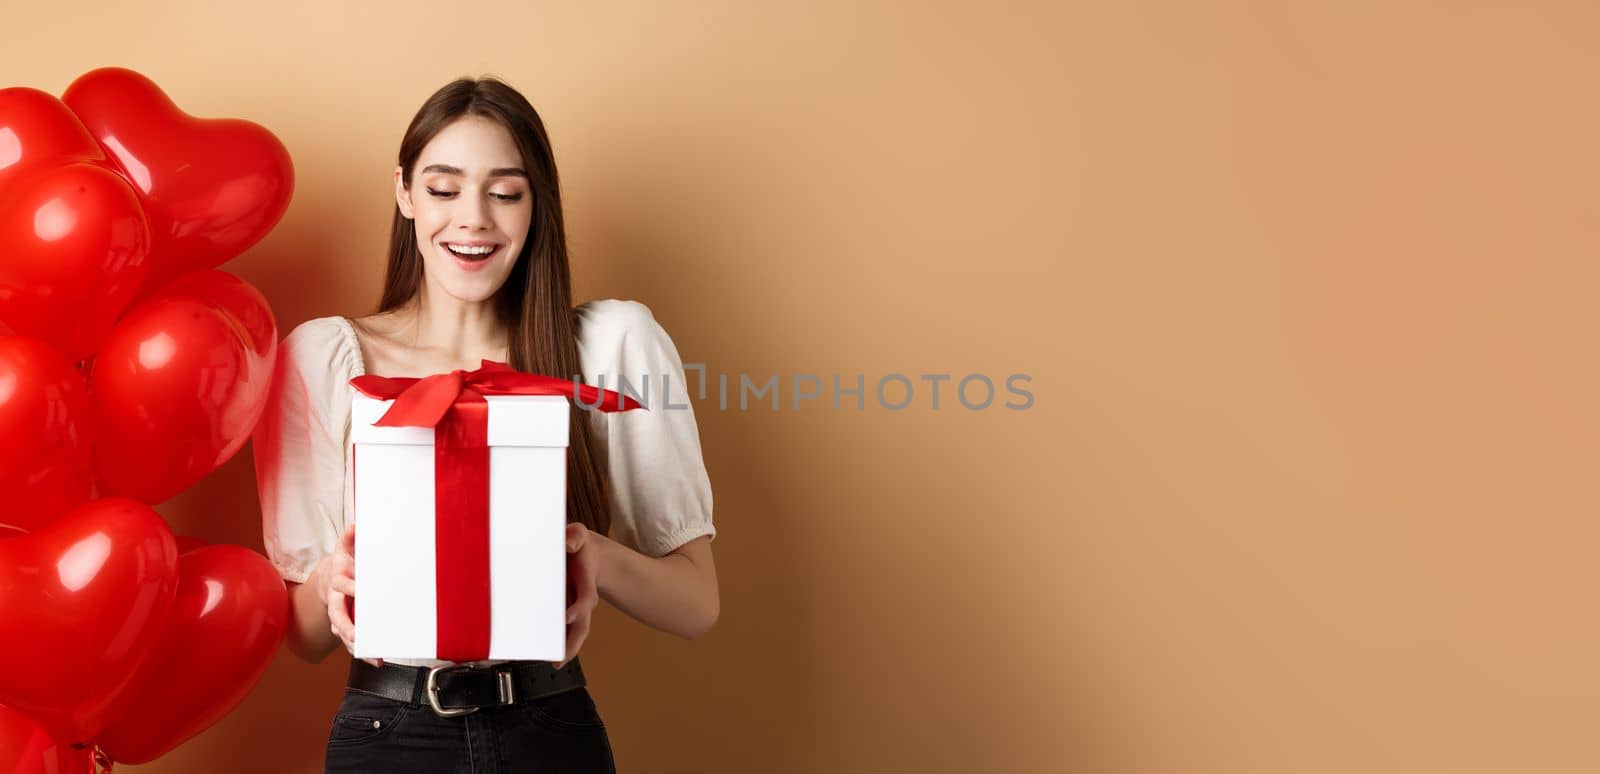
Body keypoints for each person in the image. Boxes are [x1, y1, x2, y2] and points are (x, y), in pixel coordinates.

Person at [251, 76, 720, 773]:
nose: (473, 218)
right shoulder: (324, 359)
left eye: (505, 192)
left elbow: (696, 604)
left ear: (537, 208)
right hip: (388, 732)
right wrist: (331, 581)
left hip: (550, 728)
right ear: (405, 194)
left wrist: (592, 552)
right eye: (444, 190)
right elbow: (305, 635)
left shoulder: (608, 346)